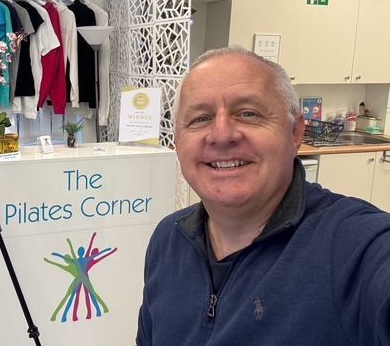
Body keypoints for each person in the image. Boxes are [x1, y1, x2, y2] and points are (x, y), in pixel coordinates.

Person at [136, 46, 390, 345]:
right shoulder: (169, 239)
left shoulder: (355, 246)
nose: (221, 134)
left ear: (295, 133)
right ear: (177, 141)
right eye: (200, 119)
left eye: (248, 113)